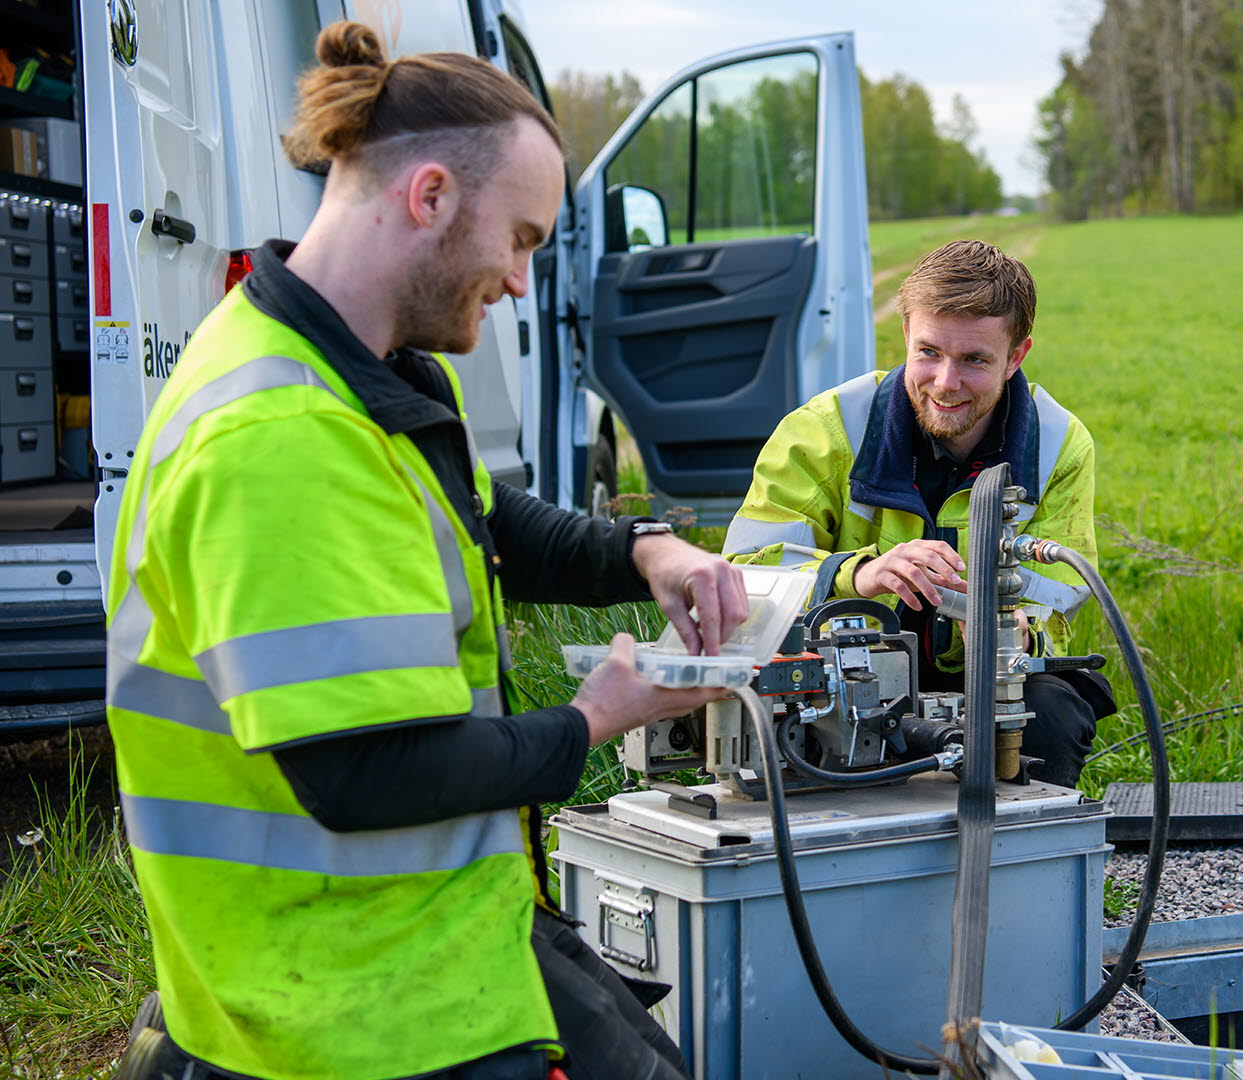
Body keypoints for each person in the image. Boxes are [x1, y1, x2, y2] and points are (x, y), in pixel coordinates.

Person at [104, 22, 744, 1080]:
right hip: (340, 1001)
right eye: (525, 239)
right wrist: (595, 719)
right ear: (431, 195)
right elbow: (363, 774)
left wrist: (645, 551)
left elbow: (486, 520)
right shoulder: (282, 439)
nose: (523, 281)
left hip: (432, 926)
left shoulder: (358, 369)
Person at [722, 240, 1114, 787]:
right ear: (905, 335)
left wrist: (1022, 634)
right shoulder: (821, 430)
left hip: (985, 677)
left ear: (1016, 356)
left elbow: (1055, 600)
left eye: (975, 360)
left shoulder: (1059, 445)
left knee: (1051, 708)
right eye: (929, 352)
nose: (945, 383)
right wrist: (859, 574)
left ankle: (1011, 858)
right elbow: (746, 575)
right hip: (838, 670)